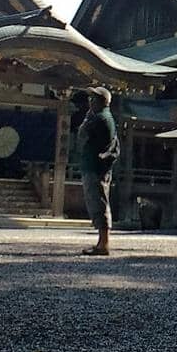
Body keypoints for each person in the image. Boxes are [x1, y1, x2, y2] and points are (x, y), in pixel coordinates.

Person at [78, 86, 119, 255]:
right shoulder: (104, 117)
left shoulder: (100, 118)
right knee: (98, 200)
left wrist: (87, 117)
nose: (90, 102)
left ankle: (104, 244)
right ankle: (102, 242)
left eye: (93, 99)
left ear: (101, 101)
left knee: (99, 202)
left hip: (96, 168)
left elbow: (81, 134)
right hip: (97, 167)